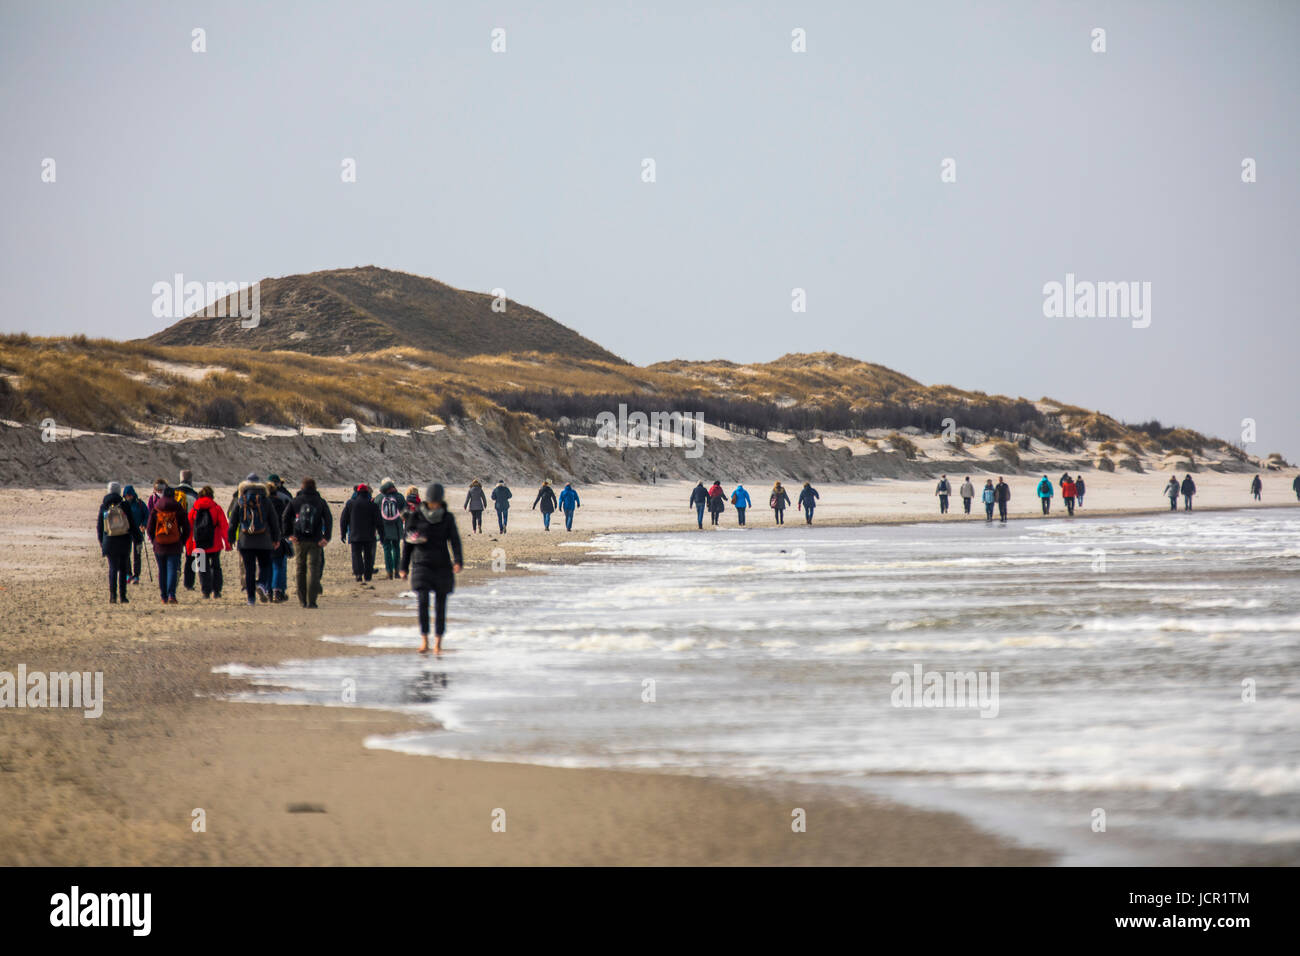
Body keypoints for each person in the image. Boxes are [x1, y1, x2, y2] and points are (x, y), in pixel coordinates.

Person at [399, 482, 463, 655]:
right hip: (421, 564)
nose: (434, 504)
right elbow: (408, 542)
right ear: (427, 500)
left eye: (436, 501)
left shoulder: (447, 517)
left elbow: (455, 540)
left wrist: (458, 561)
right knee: (423, 601)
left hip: (442, 565)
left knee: (441, 604)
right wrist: (403, 567)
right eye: (431, 501)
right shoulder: (416, 516)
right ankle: (424, 639)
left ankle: (438, 643)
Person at [227, 474, 282, 606]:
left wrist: (231, 538)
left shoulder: (241, 500)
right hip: (264, 541)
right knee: (265, 565)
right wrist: (276, 539)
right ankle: (261, 584)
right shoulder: (266, 500)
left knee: (249, 569)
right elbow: (274, 521)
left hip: (245, 541)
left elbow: (233, 521)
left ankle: (251, 599)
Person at [282, 477, 332, 608]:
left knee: (300, 569)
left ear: (302, 487)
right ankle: (312, 601)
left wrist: (289, 535)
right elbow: (328, 519)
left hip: (298, 540)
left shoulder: (295, 501)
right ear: (315, 487)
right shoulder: (320, 501)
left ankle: (302, 600)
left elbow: (285, 518)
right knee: (313, 569)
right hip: (316, 541)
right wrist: (326, 537)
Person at [145, 482, 190, 605]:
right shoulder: (178, 507)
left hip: (159, 545)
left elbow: (149, 528)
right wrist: (182, 541)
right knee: (172, 569)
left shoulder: (157, 507)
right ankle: (171, 595)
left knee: (162, 571)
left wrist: (154, 540)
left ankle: (163, 596)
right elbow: (186, 527)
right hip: (175, 545)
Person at [97, 481, 141, 604]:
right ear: (118, 491)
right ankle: (123, 596)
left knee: (112, 569)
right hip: (124, 540)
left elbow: (99, 527)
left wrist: (102, 542)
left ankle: (112, 596)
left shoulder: (104, 506)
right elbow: (132, 524)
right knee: (123, 569)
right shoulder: (124, 505)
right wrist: (138, 538)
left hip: (109, 541)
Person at [187, 485, 231, 599]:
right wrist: (227, 543)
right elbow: (224, 527)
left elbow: (189, 529)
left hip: (199, 544)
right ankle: (217, 591)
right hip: (215, 544)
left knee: (202, 568)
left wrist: (189, 546)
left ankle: (205, 592)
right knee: (216, 567)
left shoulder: (195, 509)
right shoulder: (216, 508)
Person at [341, 482, 381, 584]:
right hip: (369, 535)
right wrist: (382, 534)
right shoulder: (372, 505)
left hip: (355, 534)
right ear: (367, 492)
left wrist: (343, 533)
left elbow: (344, 519)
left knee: (356, 554)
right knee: (368, 555)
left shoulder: (350, 504)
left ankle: (358, 574)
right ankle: (367, 576)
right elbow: (378, 521)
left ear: (357, 492)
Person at [264, 474, 295, 601]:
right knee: (279, 564)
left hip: (262, 537)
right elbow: (288, 519)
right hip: (279, 536)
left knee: (266, 565)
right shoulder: (285, 497)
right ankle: (278, 590)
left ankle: (268, 590)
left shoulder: (260, 502)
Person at [377, 478, 406, 579]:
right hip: (397, 527)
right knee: (396, 548)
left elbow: (375, 513)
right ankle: (397, 571)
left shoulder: (379, 498)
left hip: (384, 528)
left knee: (386, 549)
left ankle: (389, 572)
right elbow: (404, 512)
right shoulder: (400, 497)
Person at [175, 469, 199, 591]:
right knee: (191, 556)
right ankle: (189, 583)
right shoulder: (194, 495)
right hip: (190, 529)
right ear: (190, 480)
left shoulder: (173, 494)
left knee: (175, 554)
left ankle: (176, 571)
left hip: (175, 529)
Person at [121, 484, 147, 584]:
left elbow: (146, 515)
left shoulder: (140, 503)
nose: (128, 497)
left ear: (133, 494)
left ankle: (136, 576)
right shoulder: (122, 504)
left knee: (137, 555)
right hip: (126, 533)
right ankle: (128, 574)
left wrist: (144, 525)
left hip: (138, 533)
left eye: (129, 495)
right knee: (126, 554)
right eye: (126, 496)